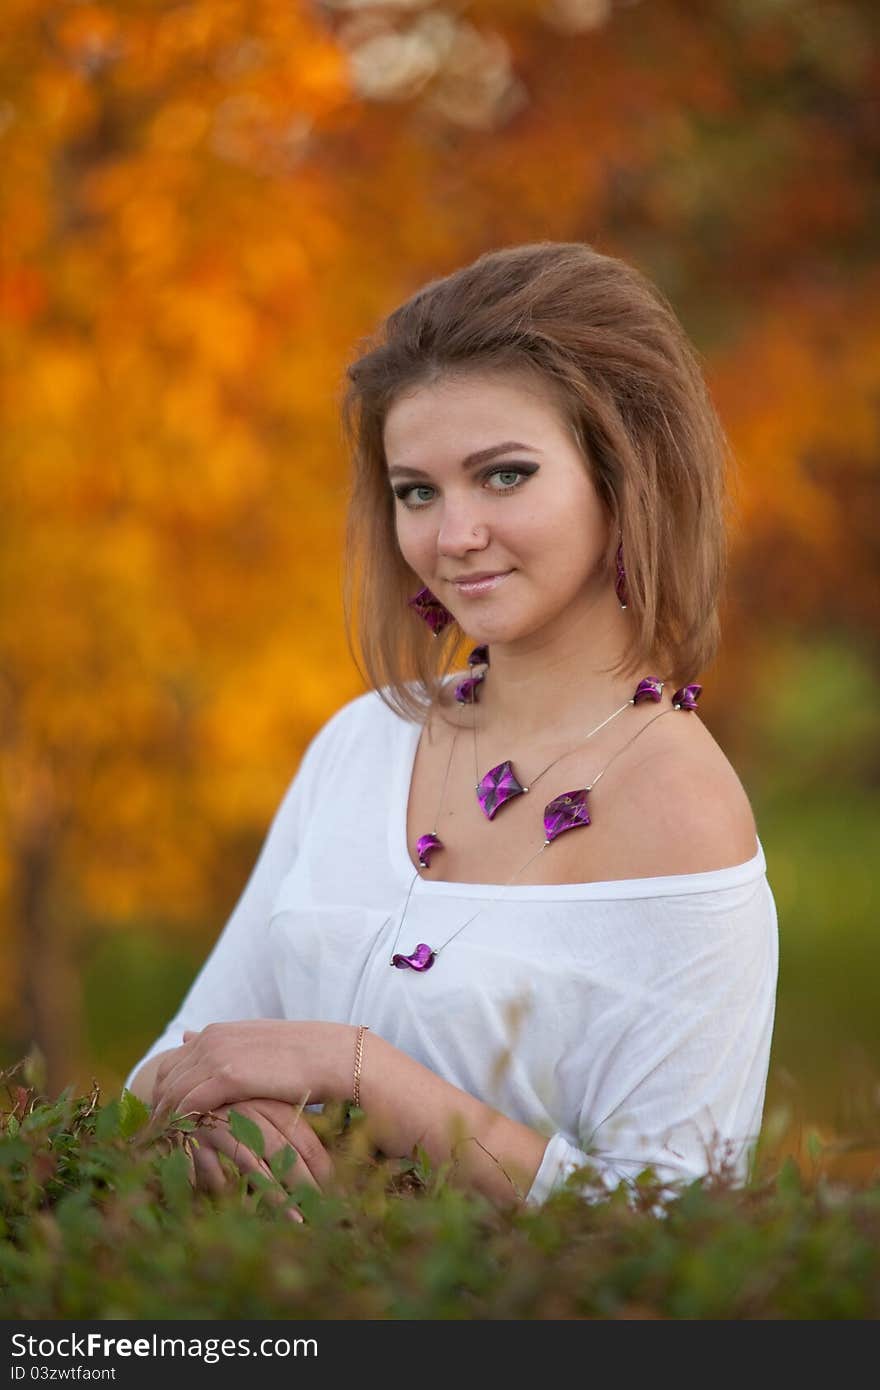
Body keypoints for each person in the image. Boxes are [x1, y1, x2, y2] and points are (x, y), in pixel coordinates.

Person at [123, 241, 778, 1215]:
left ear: (623, 473)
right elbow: (164, 1077)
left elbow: (672, 1224)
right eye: (416, 490)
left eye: (503, 475)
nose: (452, 535)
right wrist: (215, 1118)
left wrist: (362, 1070)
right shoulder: (363, 743)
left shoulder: (682, 810)